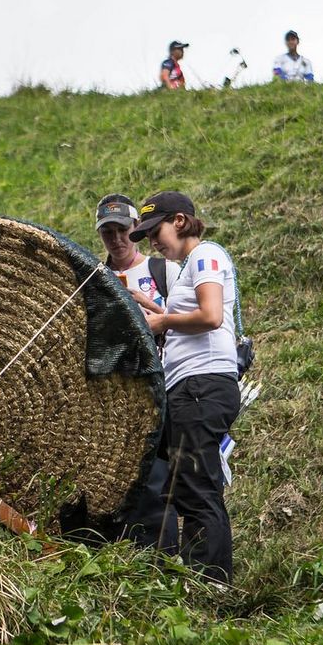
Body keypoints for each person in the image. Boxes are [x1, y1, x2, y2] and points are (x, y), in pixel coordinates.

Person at [129, 191, 241, 583]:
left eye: (154, 231)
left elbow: (210, 316)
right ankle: (201, 579)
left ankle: (212, 584)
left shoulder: (206, 255)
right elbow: (191, 320)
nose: (152, 242)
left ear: (179, 221)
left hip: (202, 385)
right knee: (188, 487)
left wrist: (162, 324)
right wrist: (154, 309)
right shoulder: (191, 265)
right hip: (190, 386)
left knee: (198, 487)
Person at [60, 194, 181, 547]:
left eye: (121, 229)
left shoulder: (162, 271)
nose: (115, 239)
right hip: (114, 394)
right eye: (106, 232)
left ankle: (162, 551)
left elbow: (183, 323)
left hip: (164, 385)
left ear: (135, 229)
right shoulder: (95, 279)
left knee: (159, 473)